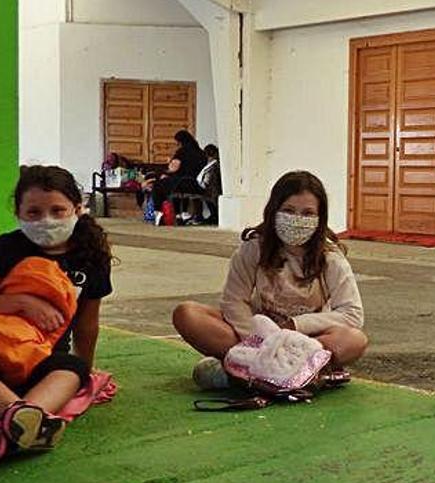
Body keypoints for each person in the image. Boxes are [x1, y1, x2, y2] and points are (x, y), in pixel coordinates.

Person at [0, 165, 114, 467]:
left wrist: (86, 373)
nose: (47, 220)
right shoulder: (5, 249)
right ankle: (22, 418)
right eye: (34, 212)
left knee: (70, 370)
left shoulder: (91, 256)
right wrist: (21, 303)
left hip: (42, 361)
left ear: (78, 209)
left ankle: (8, 428)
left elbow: (87, 325)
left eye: (58, 211)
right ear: (18, 213)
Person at [171, 170, 368, 387]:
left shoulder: (331, 258)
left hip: (302, 343)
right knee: (187, 314)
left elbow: (352, 314)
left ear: (320, 219)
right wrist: (256, 340)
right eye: (289, 210)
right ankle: (297, 376)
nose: (297, 219)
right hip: (255, 337)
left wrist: (295, 326)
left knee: (354, 340)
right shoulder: (253, 249)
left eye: (308, 213)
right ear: (274, 210)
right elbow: (233, 301)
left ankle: (249, 372)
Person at [150, 130, 208, 224]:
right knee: (170, 183)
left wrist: (170, 163)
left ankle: (158, 212)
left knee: (158, 185)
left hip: (181, 182)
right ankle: (181, 214)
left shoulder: (182, 151)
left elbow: (174, 168)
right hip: (195, 185)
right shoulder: (201, 153)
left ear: (180, 142)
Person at [191, 144, 221, 225]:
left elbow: (207, 180)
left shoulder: (213, 165)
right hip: (209, 188)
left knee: (195, 194)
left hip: (210, 189)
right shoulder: (212, 164)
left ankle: (199, 216)